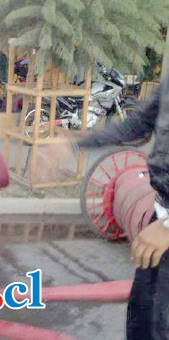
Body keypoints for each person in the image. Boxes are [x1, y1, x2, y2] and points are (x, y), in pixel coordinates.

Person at [45, 75, 169, 340]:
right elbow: (137, 125)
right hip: (158, 222)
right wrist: (74, 143)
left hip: (165, 228)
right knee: (142, 321)